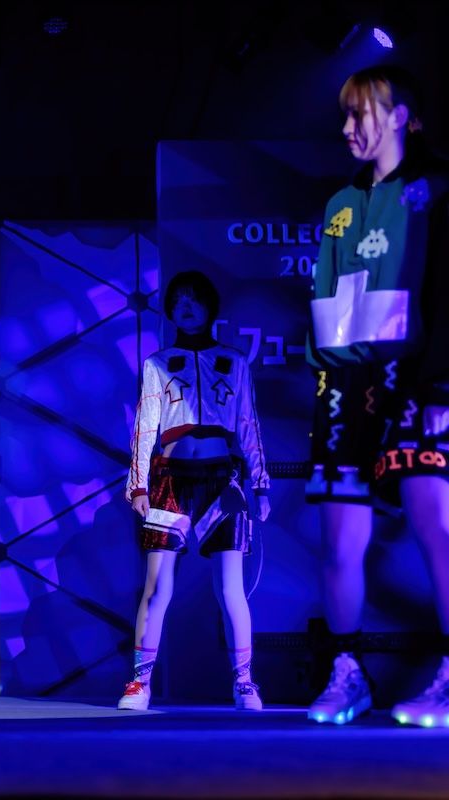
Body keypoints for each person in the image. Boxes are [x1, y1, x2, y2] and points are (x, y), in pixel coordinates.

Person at [306, 65, 449, 726]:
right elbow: (324, 301)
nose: (347, 127)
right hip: (346, 387)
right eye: (344, 114)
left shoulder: (437, 189)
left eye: (360, 113)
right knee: (339, 538)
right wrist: (331, 377)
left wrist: (440, 380)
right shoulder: (340, 204)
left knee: (437, 525)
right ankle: (347, 673)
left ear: (399, 116)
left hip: (418, 380)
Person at [120, 271, 270, 711]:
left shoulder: (234, 362)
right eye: (178, 300)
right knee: (156, 586)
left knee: (231, 588)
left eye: (195, 299)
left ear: (210, 307)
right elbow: (145, 425)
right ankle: (139, 683)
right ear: (169, 309)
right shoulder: (158, 363)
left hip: (222, 482)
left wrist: (260, 484)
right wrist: (138, 484)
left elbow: (249, 424)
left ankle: (244, 682)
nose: (186, 306)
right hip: (170, 479)